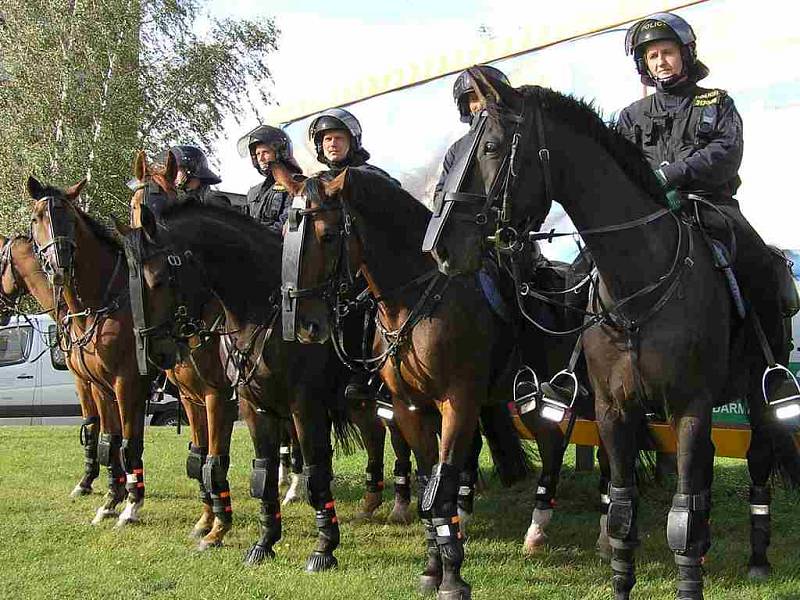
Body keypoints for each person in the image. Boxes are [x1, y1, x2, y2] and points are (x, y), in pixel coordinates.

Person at [434, 64, 510, 194]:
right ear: (466, 106)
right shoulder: (456, 150)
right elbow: (441, 193)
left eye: (487, 97)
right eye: (474, 99)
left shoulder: (515, 137)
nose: (481, 104)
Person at [238, 125, 303, 234]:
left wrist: (257, 237)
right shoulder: (254, 192)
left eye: (265, 152)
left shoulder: (297, 184)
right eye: (258, 154)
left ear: (280, 153)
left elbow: (288, 223)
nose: (261, 158)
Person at [307, 108, 400, 185]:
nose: (333, 144)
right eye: (328, 139)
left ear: (352, 143)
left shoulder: (372, 176)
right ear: (320, 146)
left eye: (339, 138)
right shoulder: (320, 183)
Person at [162, 145, 230, 209]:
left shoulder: (215, 205)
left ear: (189, 171)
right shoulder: (166, 198)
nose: (171, 173)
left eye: (176, 169)